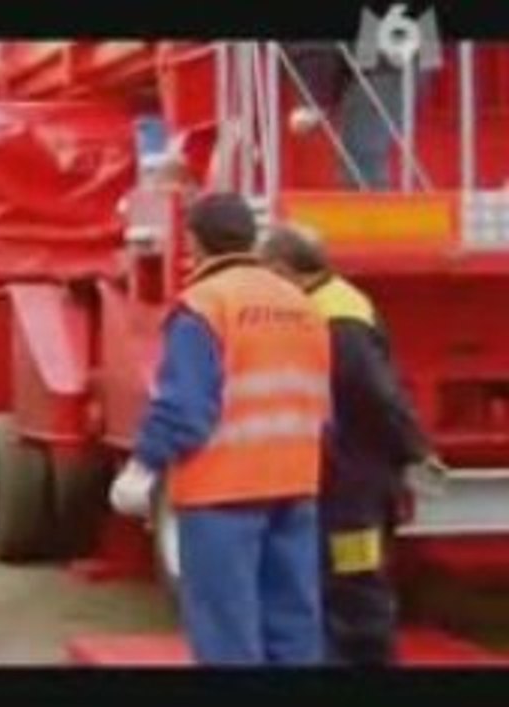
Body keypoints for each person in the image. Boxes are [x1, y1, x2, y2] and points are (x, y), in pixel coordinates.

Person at [109, 192, 332, 666]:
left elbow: (185, 407)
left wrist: (143, 467)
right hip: (295, 484)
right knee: (293, 629)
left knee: (227, 634)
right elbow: (323, 402)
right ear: (252, 239)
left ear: (193, 242)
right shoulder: (301, 302)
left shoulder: (205, 305)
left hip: (222, 493)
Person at [258, 223, 449, 665]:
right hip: (349, 474)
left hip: (354, 483)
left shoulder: (338, 318)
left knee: (354, 581)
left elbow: (373, 394)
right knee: (343, 581)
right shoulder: (330, 305)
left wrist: (414, 450)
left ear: (285, 269)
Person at [284, 42, 429, 190]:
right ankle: (371, 208)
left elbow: (314, 49)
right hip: (397, 54)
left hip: (385, 60)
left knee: (360, 159)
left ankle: (372, 210)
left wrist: (314, 99)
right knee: (360, 158)